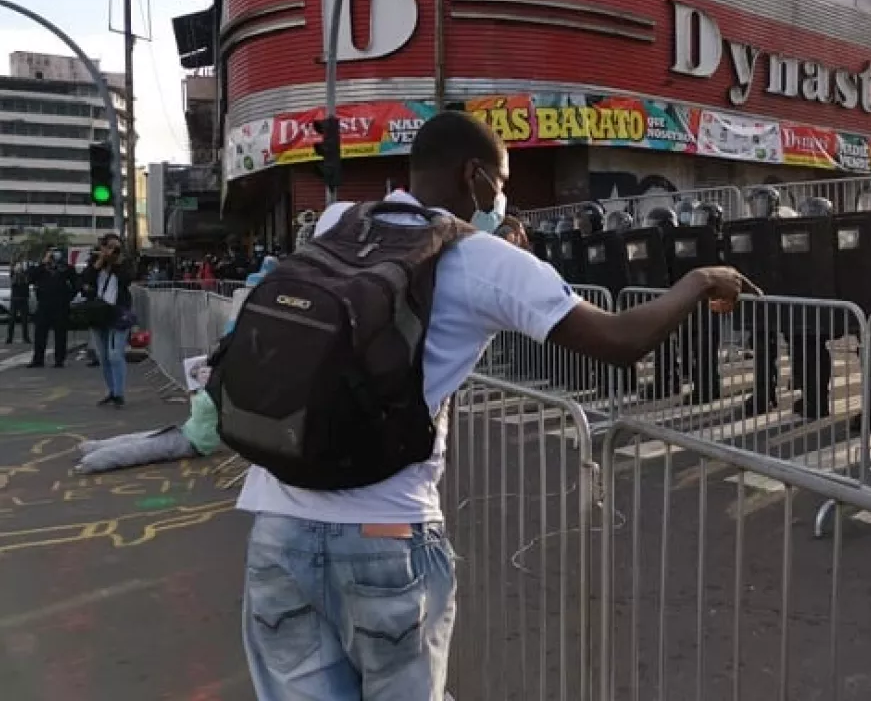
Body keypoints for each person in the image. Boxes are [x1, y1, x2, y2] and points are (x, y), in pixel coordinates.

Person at [234, 111, 753, 701]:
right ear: (474, 175)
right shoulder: (488, 263)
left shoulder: (336, 221)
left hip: (277, 523)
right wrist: (698, 280)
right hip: (384, 533)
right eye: (501, 184)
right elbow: (619, 339)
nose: (502, 198)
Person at [75, 356, 221, 474]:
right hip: (186, 432)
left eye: (208, 372)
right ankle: (95, 448)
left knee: (142, 448)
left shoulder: (212, 394)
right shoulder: (205, 391)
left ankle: (93, 461)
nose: (206, 375)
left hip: (194, 443)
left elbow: (207, 404)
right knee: (139, 438)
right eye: (202, 373)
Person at [83, 234, 134, 407]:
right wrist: (100, 261)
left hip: (118, 312)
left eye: (116, 247)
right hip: (99, 313)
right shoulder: (94, 261)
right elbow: (85, 280)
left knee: (115, 354)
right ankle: (111, 391)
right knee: (103, 356)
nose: (113, 250)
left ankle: (119, 393)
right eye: (110, 246)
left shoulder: (123, 263)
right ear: (103, 247)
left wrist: (116, 262)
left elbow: (128, 279)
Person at [27, 247, 78, 368]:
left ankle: (59, 359)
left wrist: (68, 297)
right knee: (40, 333)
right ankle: (38, 359)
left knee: (60, 333)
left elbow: (76, 284)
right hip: (44, 304)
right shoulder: (42, 269)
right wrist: (43, 262)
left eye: (56, 252)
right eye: (51, 252)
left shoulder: (67, 268)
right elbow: (30, 278)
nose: (54, 255)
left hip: (60, 305)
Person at [6, 261, 30, 345]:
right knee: (12, 320)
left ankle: (26, 338)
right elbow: (12, 272)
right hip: (15, 299)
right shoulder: (14, 275)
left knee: (25, 320)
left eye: (20, 266)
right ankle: (9, 338)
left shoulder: (25, 275)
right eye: (17, 266)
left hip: (23, 299)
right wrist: (13, 267)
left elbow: (28, 278)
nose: (19, 268)